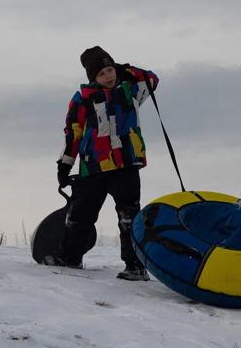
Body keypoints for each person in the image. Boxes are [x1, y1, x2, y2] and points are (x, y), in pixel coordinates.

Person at [44, 46, 158, 281]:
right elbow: (73, 134)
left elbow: (152, 79)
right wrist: (64, 165)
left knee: (129, 216)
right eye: (102, 73)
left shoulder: (130, 90)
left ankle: (135, 266)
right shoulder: (82, 99)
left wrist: (125, 70)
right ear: (92, 77)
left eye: (110, 70)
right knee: (81, 214)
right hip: (93, 166)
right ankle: (70, 258)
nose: (108, 76)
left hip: (126, 164)